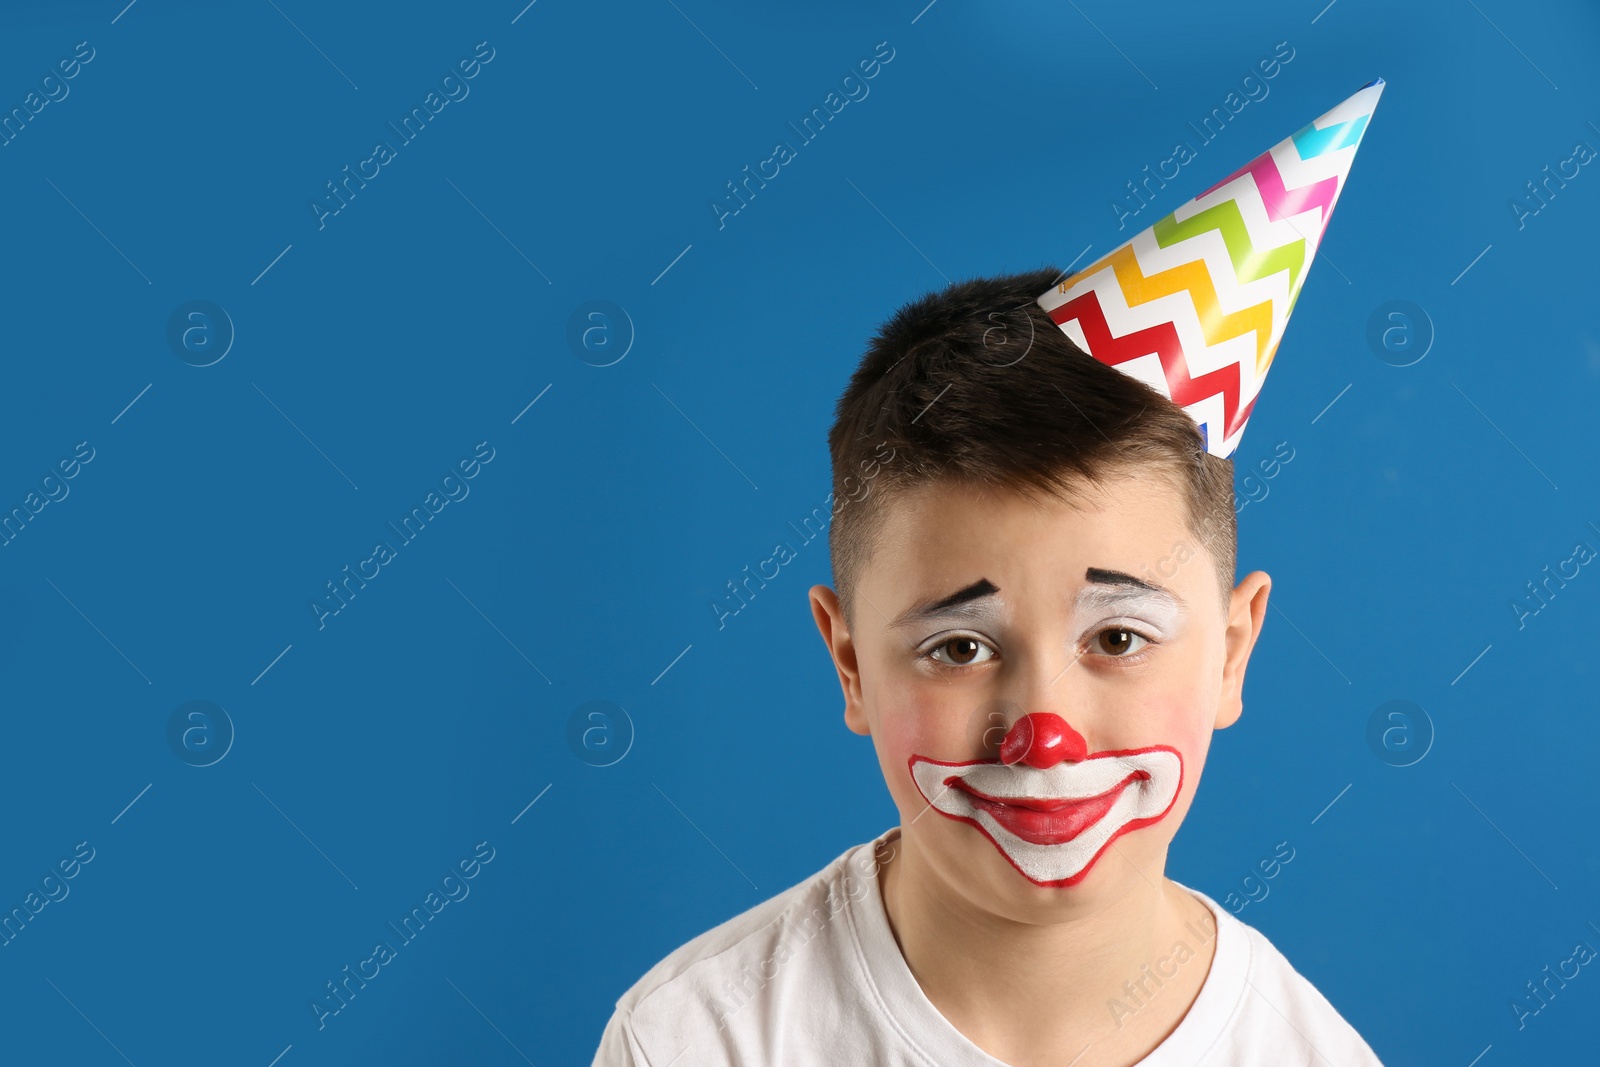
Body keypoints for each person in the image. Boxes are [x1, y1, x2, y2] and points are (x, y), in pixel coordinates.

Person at [592, 80, 1387, 1067]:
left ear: (1230, 650)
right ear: (847, 662)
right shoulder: (699, 1039)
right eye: (959, 646)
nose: (1041, 731)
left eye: (1117, 636)